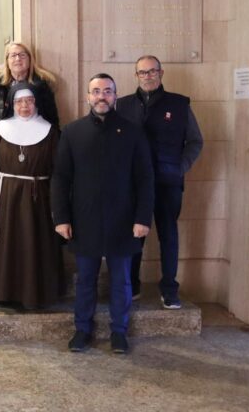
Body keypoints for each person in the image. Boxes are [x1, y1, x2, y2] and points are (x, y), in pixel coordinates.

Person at [51, 73, 154, 354]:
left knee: (121, 280)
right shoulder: (73, 132)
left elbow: (145, 178)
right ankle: (82, 330)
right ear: (87, 97)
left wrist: (143, 219)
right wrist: (61, 218)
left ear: (115, 96)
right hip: (84, 220)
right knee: (85, 280)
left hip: (124, 220)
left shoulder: (133, 131)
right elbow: (60, 177)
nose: (101, 96)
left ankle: (119, 332)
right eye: (96, 91)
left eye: (107, 91)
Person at [116, 55, 203, 309]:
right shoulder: (122, 106)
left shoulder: (179, 104)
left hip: (167, 182)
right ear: (136, 76)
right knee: (133, 236)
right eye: (143, 72)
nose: (148, 76)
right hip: (132, 185)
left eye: (153, 71)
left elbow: (196, 141)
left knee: (168, 234)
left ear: (161, 73)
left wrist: (181, 167)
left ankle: (169, 289)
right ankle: (131, 284)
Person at [0, 82, 64, 310]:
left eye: (29, 101)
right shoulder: (1, 130)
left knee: (36, 245)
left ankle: (37, 294)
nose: (24, 106)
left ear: (36, 103)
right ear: (11, 104)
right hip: (6, 196)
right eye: (19, 101)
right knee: (8, 245)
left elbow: (59, 172)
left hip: (40, 198)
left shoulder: (50, 132)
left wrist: (58, 204)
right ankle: (5, 292)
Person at [0, 41, 60, 166]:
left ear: (30, 59)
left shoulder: (42, 86)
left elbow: (52, 121)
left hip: (34, 150)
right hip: (2, 149)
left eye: (22, 55)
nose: (17, 59)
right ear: (7, 61)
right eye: (13, 55)